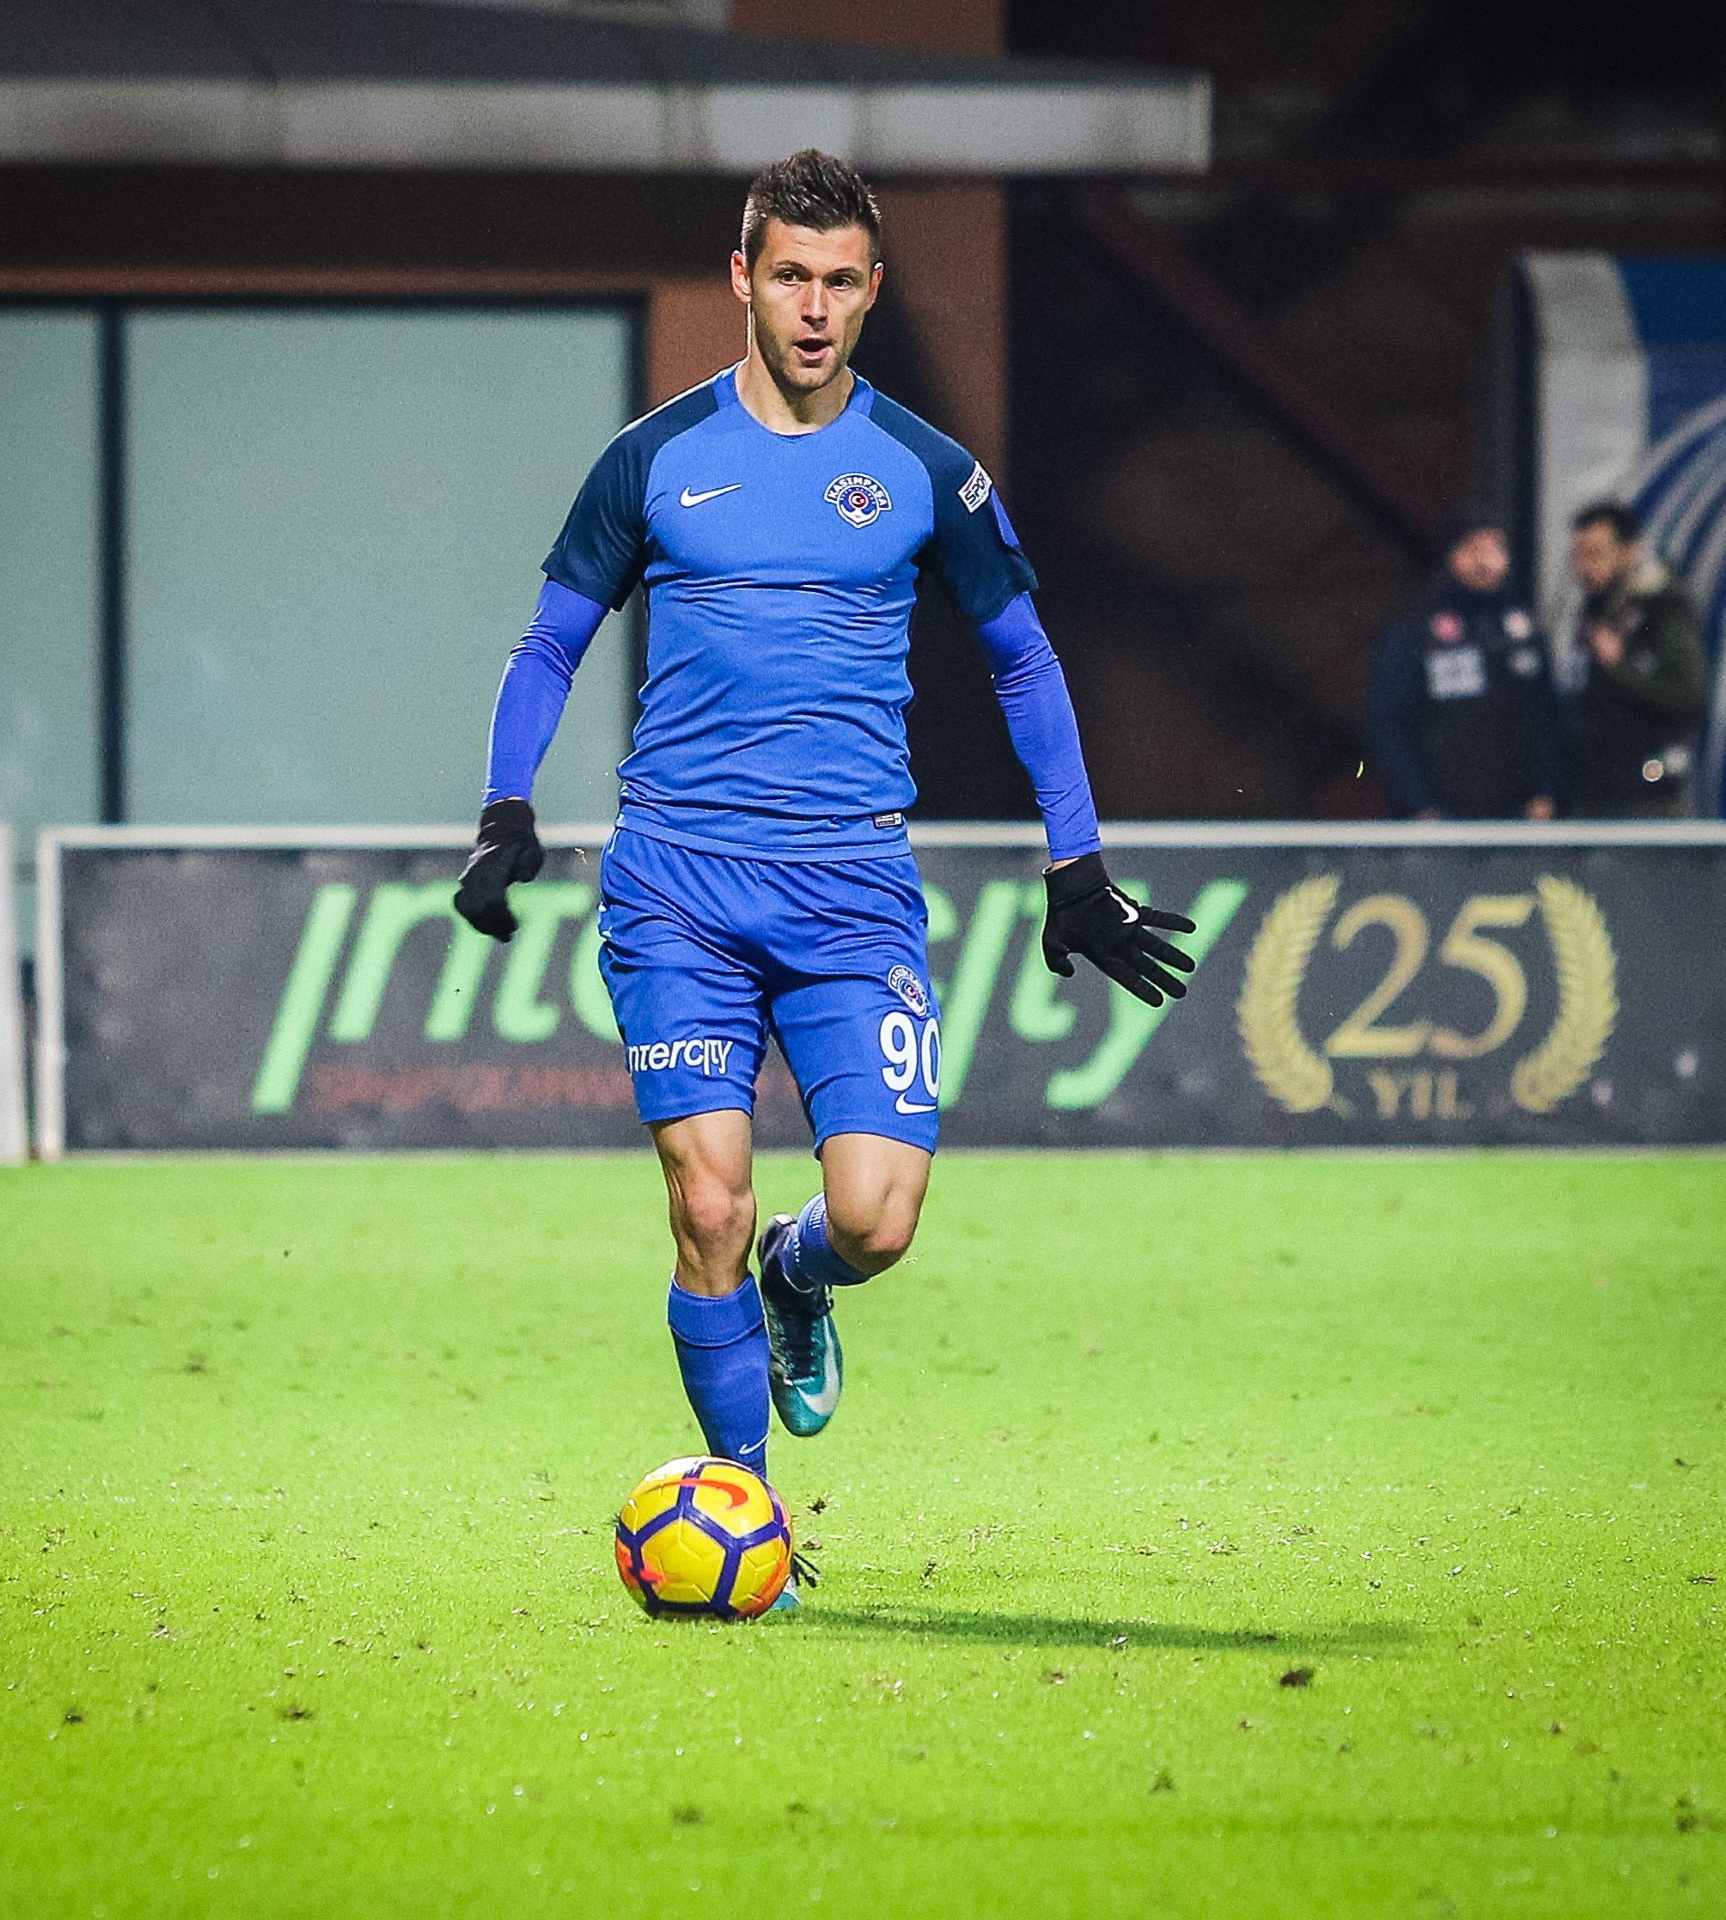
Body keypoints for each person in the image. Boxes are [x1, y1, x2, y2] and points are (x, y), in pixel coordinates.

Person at [452, 151, 1196, 1590]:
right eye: (789, 275)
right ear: (742, 278)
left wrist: (1078, 861)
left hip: (851, 892)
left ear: (871, 292)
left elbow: (1024, 658)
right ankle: (754, 1519)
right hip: (679, 885)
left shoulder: (926, 473)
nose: (812, 307)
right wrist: (503, 809)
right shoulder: (653, 459)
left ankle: (801, 1280)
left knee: (874, 1220)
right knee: (707, 1206)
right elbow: (549, 643)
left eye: (840, 281)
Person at [1364, 511, 1557, 821]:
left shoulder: (1524, 631)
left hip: (1518, 816)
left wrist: (1546, 791)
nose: (1485, 562)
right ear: (1451, 554)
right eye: (1473, 548)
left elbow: (1549, 718)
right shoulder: (1415, 632)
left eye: (1495, 549)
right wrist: (1418, 805)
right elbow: (1388, 725)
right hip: (1441, 818)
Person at [1560, 501, 1709, 816]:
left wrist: (1618, 667)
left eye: (1595, 554)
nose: (1583, 568)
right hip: (1592, 791)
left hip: (1645, 798)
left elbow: (1687, 698)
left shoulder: (1663, 610)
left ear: (1629, 552)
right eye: (1578, 555)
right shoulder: (1593, 610)